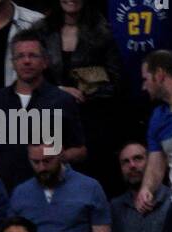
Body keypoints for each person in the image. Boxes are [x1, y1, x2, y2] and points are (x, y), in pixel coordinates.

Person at [0, 31, 87, 192]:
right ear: (13, 63)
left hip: (50, 191)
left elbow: (81, 150)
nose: (26, 61)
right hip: (2, 192)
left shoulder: (62, 100)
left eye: (33, 56)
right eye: (20, 56)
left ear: (45, 62)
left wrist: (56, 157)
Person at [35, 0, 123, 188]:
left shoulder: (102, 31)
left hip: (91, 124)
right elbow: (29, 77)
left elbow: (116, 83)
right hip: (48, 121)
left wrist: (88, 89)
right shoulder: (40, 30)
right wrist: (58, 91)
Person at [109, 143, 171, 232]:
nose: (132, 165)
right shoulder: (117, 205)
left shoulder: (171, 200)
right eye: (126, 162)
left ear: (150, 162)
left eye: (138, 159)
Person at [136, 50, 172, 215]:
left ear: (159, 74)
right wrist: (146, 188)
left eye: (146, 79)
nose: (143, 86)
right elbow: (156, 164)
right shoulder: (158, 118)